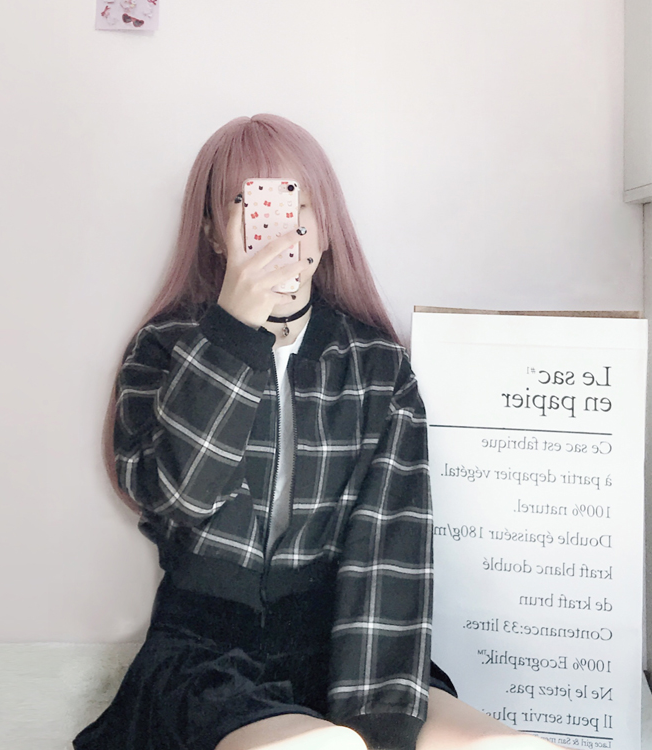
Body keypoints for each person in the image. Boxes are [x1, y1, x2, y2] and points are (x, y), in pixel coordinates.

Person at [73, 114, 553, 750]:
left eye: (299, 204)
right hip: (204, 653)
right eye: (251, 205)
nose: (282, 227)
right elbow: (179, 496)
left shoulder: (377, 365)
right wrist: (233, 331)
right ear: (213, 231)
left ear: (325, 227)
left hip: (348, 645)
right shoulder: (165, 349)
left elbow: (392, 547)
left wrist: (383, 724)